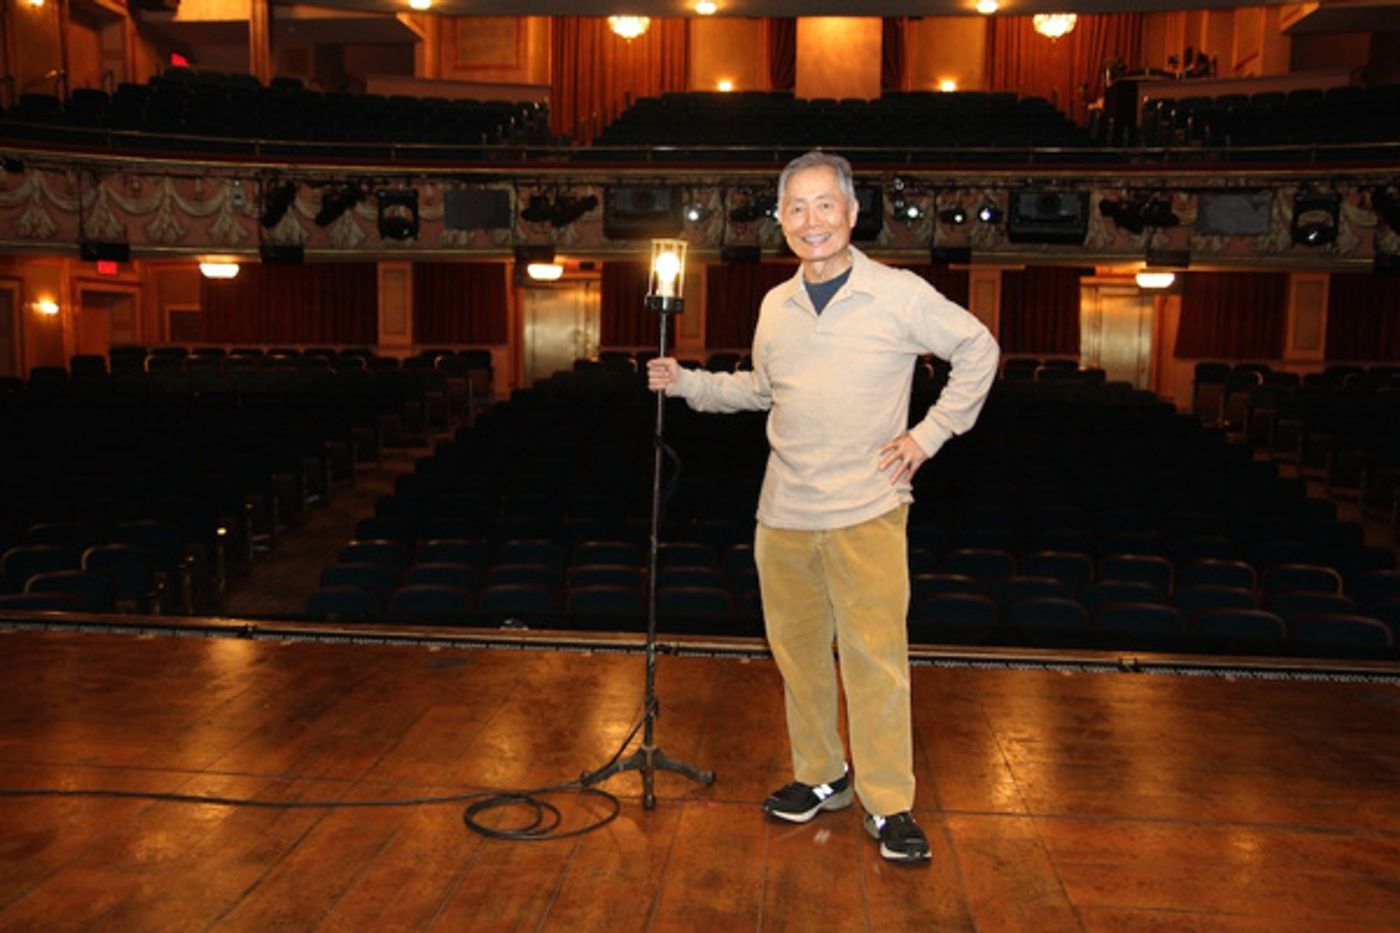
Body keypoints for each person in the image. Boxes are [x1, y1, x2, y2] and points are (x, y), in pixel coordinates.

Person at [647, 151, 999, 863]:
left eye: (825, 205)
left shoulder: (898, 293)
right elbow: (763, 389)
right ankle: (821, 775)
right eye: (797, 208)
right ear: (782, 219)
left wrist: (929, 434)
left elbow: (978, 348)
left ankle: (889, 803)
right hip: (782, 513)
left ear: (852, 212)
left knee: (875, 662)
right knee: (800, 659)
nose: (812, 221)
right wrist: (688, 383)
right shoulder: (775, 304)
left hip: (868, 509)